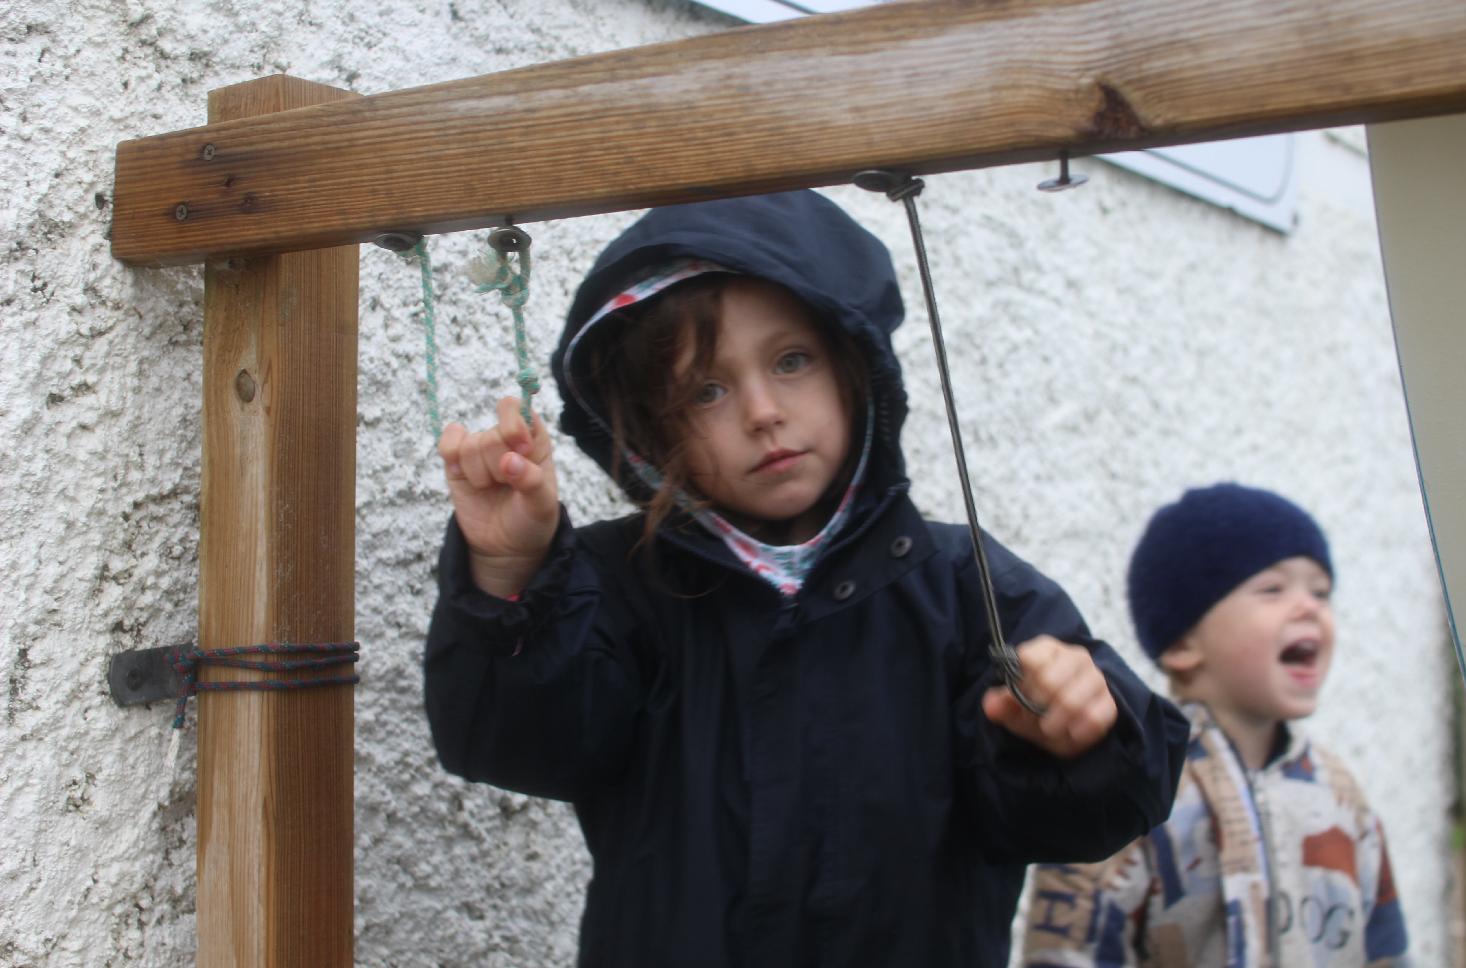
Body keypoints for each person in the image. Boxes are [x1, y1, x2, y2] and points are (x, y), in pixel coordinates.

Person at [424, 190, 1187, 967]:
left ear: (854, 367)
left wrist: (1085, 730)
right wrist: (512, 570)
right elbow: (515, 743)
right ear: (654, 427)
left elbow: (1094, 811)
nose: (762, 411)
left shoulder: (964, 588)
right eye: (706, 389)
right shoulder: (615, 589)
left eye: (792, 361)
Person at [1021, 482, 1411, 967]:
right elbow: (1066, 952)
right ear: (1184, 645)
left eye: (1321, 592)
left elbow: (1386, 947)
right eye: (1272, 589)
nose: (1310, 607)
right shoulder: (1128, 788)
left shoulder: (1339, 795)